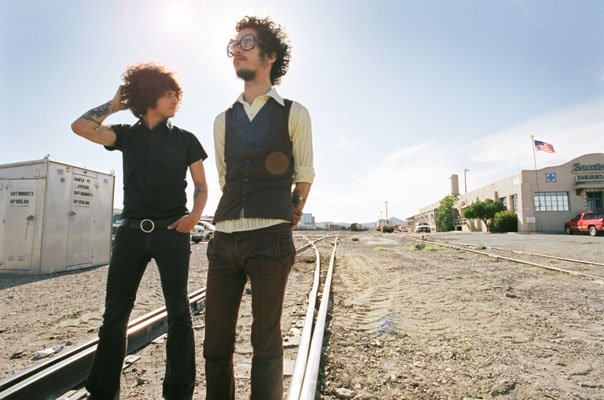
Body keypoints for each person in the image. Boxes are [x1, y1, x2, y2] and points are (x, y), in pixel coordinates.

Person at [70, 62, 208, 400]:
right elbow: (81, 127)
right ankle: (103, 392)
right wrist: (113, 105)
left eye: (177, 95)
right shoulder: (125, 135)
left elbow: (201, 186)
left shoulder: (186, 140)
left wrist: (194, 216)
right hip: (130, 234)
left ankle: (179, 393)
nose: (175, 100)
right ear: (149, 95)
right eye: (168, 94)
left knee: (179, 313)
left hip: (172, 233)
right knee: (115, 316)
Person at [204, 16, 314, 400]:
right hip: (224, 241)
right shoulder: (222, 120)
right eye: (233, 45)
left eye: (247, 43)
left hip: (271, 240)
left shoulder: (294, 113)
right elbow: (225, 177)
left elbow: (304, 174)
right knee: (215, 344)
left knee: (265, 342)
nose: (237, 49)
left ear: (270, 56)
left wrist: (290, 211)